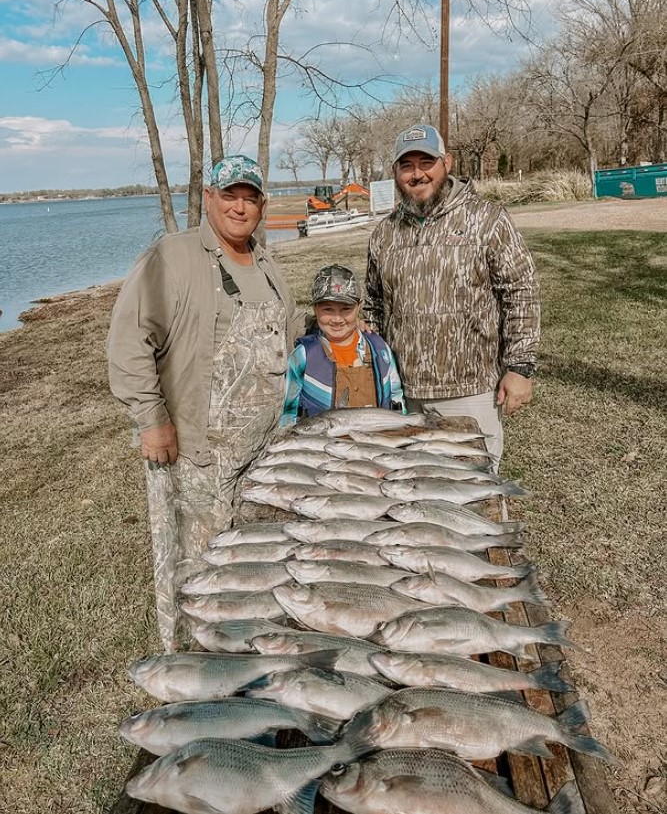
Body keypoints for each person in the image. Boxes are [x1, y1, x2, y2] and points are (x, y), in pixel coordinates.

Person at [107, 154, 300, 652]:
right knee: (197, 567)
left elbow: (284, 338)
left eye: (250, 197)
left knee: (247, 564)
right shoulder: (173, 256)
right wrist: (151, 419)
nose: (240, 207)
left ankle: (243, 657)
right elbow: (129, 341)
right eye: (229, 195)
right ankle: (194, 670)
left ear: (262, 204)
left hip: (260, 453)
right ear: (209, 198)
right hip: (198, 451)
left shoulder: (266, 262)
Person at [364, 124, 540, 462]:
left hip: (470, 391)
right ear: (396, 172)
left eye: (426, 162)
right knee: (415, 492)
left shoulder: (487, 220)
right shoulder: (384, 233)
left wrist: (520, 367)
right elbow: (373, 304)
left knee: (473, 491)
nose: (417, 174)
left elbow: (521, 293)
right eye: (406, 165)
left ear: (447, 162)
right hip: (405, 394)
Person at [281, 264, 405, 424]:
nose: (337, 319)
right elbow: (288, 409)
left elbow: (396, 396)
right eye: (328, 309)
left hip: (378, 440)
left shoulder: (379, 349)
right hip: (321, 444)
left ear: (359, 306)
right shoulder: (303, 356)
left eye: (346, 309)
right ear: (315, 308)